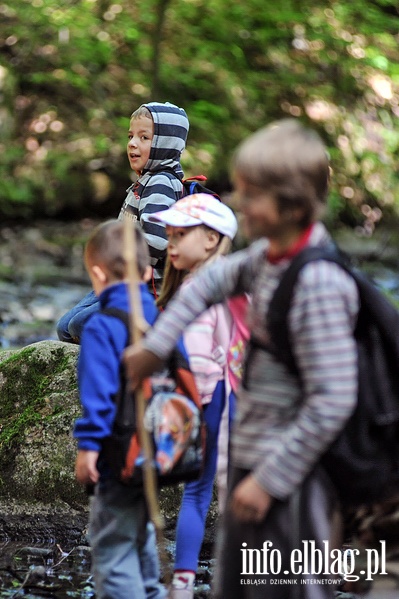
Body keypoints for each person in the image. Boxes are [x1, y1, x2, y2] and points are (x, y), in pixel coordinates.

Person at [122, 119, 360, 599]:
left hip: (294, 477)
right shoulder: (264, 260)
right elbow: (203, 288)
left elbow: (334, 399)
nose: (239, 203)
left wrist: (269, 482)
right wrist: (155, 347)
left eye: (251, 195)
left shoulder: (318, 283)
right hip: (249, 457)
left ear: (291, 205)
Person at [149, 193, 249, 599]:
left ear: (211, 239)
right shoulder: (237, 281)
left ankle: (188, 583)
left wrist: (180, 409)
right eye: (169, 235)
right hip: (232, 399)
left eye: (180, 235)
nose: (170, 243)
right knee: (224, 492)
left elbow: (196, 361)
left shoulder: (201, 289)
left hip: (212, 401)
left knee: (203, 490)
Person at [73, 219, 166, 599]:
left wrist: (88, 447)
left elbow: (99, 393)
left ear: (97, 273)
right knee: (141, 538)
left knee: (112, 555)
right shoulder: (160, 319)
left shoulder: (101, 326)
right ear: (147, 272)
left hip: (118, 455)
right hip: (160, 450)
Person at [56, 101, 189, 343]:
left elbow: (158, 243)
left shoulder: (160, 183)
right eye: (130, 136)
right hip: (123, 282)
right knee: (66, 326)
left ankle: (129, 338)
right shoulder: (145, 181)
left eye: (144, 137)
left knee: (77, 325)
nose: (132, 143)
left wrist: (117, 252)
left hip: (148, 294)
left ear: (165, 144)